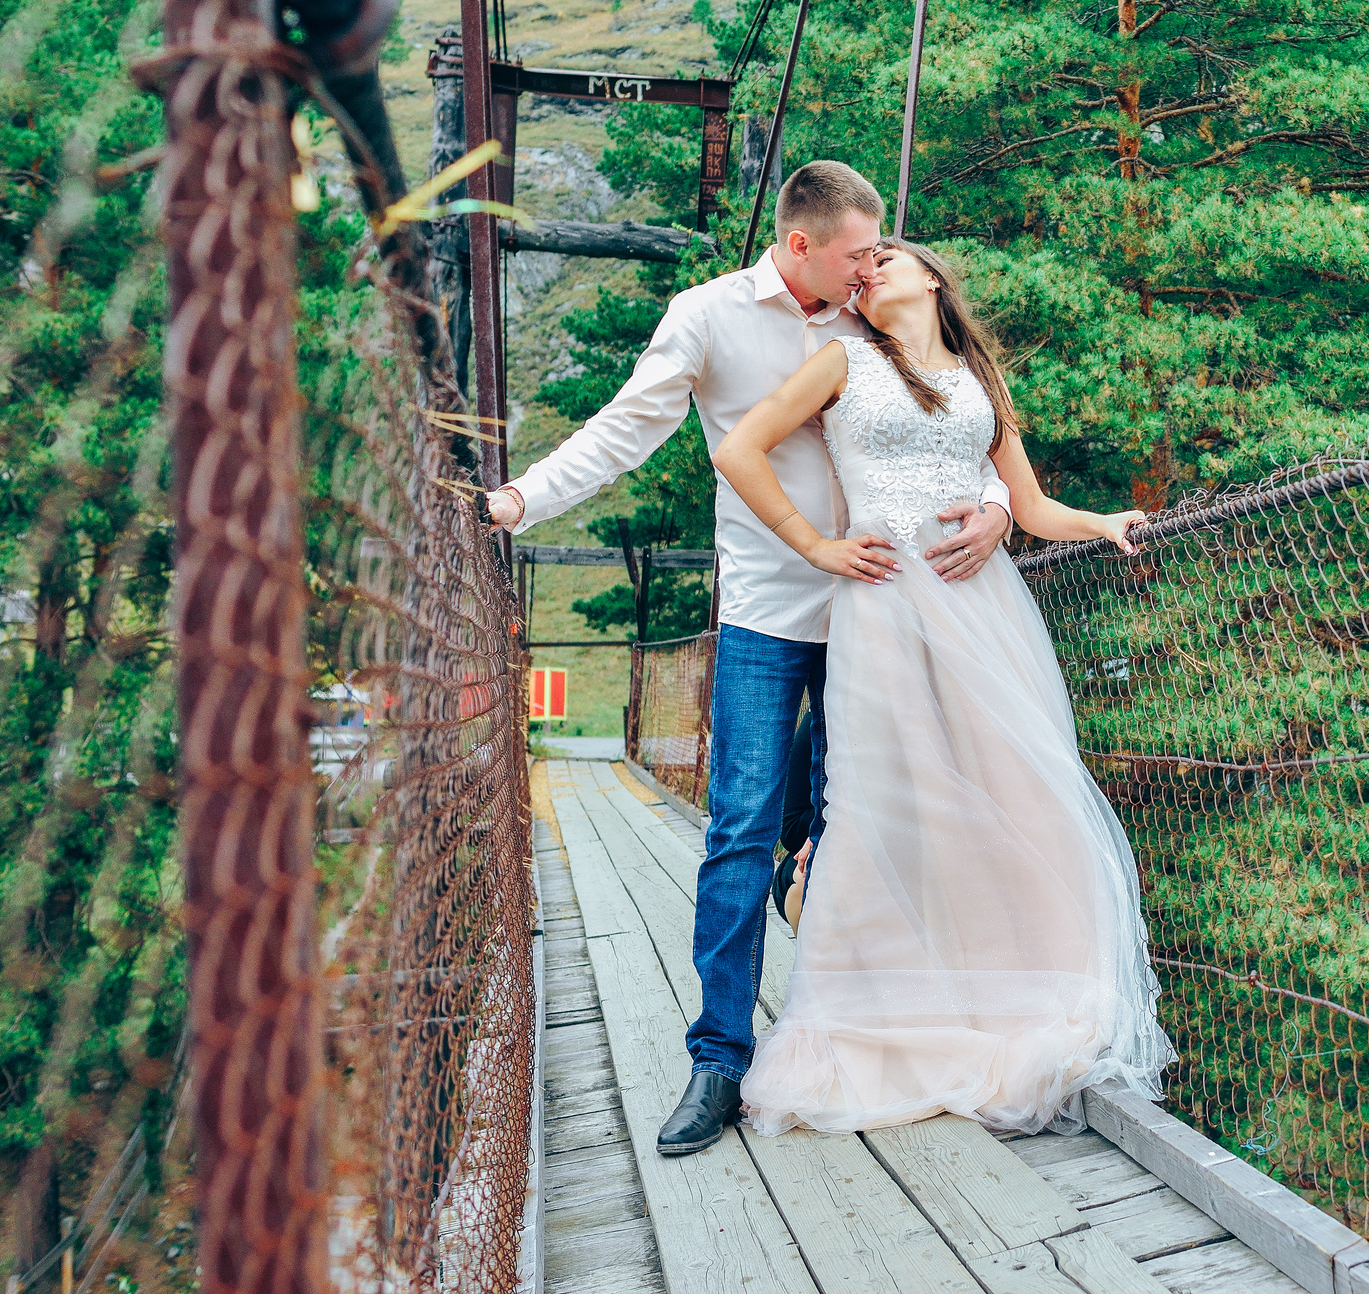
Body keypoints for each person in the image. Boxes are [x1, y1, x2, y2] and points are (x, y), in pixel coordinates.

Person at [481, 161, 1017, 1157]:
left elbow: (960, 422)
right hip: (774, 614)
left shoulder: (874, 313)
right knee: (736, 827)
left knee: (876, 819)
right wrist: (518, 501)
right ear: (802, 244)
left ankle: (862, 1019)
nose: (878, 266)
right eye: (860, 251)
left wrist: (992, 508)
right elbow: (622, 431)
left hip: (893, 616)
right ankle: (719, 1057)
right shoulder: (711, 316)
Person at [711, 237, 1174, 1134]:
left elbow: (1029, 505)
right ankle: (874, 1014)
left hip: (983, 612)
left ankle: (1010, 997)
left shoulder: (977, 380)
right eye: (860, 264)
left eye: (886, 258)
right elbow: (740, 448)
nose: (868, 271)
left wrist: (1098, 520)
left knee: (1012, 792)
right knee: (890, 801)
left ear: (930, 277)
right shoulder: (843, 360)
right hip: (883, 608)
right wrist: (817, 545)